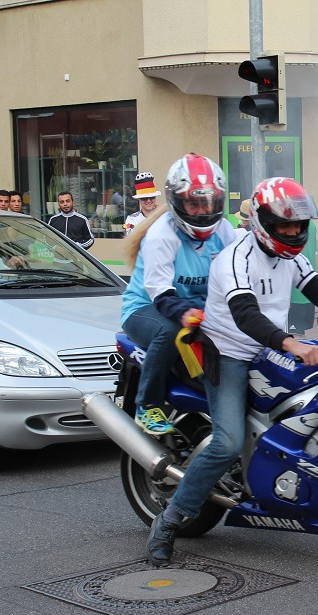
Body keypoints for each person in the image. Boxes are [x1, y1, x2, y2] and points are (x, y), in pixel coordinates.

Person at [145, 177, 318, 566]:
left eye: (299, 225)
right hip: (228, 353)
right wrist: (292, 343)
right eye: (285, 225)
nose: (293, 232)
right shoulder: (235, 258)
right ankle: (169, 520)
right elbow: (245, 314)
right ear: (262, 221)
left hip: (270, 347)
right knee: (226, 443)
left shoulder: (292, 256)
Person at [120, 153, 239, 435]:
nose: (202, 211)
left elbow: (235, 275)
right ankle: (147, 405)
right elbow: (160, 294)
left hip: (198, 311)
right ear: (177, 201)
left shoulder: (224, 229)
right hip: (147, 309)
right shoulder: (162, 234)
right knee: (171, 329)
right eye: (193, 203)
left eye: (209, 202)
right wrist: (187, 313)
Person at [123, 172, 163, 237]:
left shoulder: (164, 216)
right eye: (144, 198)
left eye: (152, 197)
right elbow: (134, 239)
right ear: (139, 199)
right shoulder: (132, 219)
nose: (148, 201)